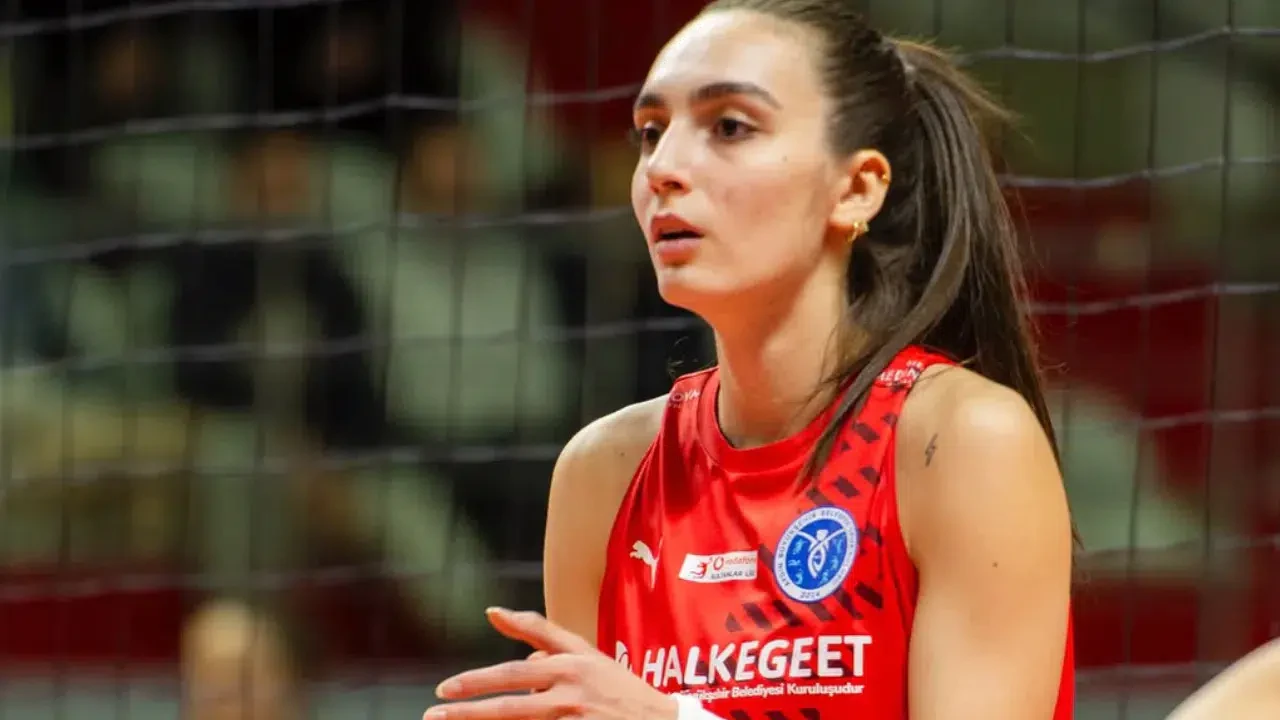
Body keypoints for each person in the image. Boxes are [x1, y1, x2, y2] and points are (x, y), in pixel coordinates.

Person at [424, 0, 1077, 718]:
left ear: (857, 188)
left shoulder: (960, 442)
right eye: (651, 133)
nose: (663, 167)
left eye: (730, 127)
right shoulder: (604, 472)